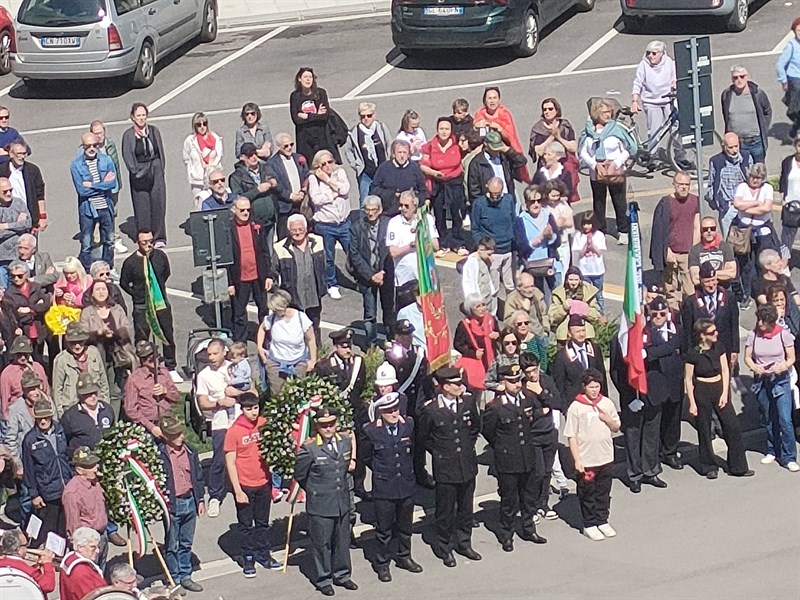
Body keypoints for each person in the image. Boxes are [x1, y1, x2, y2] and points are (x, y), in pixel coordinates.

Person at [418, 367, 482, 568]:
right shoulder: (431, 409)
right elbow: (424, 438)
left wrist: (465, 447)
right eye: (455, 384)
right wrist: (440, 452)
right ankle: (444, 546)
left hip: (466, 463)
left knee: (465, 508)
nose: (460, 387)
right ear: (445, 387)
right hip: (445, 467)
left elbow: (475, 428)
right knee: (445, 511)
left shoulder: (468, 402)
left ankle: (464, 543)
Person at [293, 407, 359, 596]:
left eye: (331, 424)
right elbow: (301, 475)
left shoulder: (345, 442)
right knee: (322, 544)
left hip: (342, 502)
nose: (329, 428)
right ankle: (324, 579)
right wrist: (315, 491)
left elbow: (346, 468)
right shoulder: (310, 448)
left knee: (342, 540)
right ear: (318, 427)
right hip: (321, 504)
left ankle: (343, 575)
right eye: (324, 425)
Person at [482, 364, 547, 552]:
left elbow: (535, 416)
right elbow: (489, 432)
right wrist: (503, 447)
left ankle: (528, 529)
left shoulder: (528, 398)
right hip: (508, 460)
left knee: (529, 497)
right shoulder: (495, 407)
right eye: (512, 381)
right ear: (503, 382)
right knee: (509, 500)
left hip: (527, 456)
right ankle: (507, 534)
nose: (517, 384)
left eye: (518, 380)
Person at [360, 393, 423, 582]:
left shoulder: (407, 425)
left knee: (405, 526)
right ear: (380, 412)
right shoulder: (371, 431)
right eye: (388, 411)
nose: (394, 413)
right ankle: (383, 563)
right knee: (384, 530)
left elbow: (412, 452)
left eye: (395, 409)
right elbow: (365, 456)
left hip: (405, 484)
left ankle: (404, 557)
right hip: (384, 487)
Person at [685, 319, 754, 479]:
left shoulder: (719, 347)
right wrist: (692, 402)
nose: (716, 334)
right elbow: (688, 379)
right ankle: (709, 466)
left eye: (716, 331)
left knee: (733, 427)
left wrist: (725, 394)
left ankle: (738, 466)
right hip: (702, 391)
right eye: (711, 332)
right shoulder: (693, 353)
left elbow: (725, 370)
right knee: (704, 429)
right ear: (702, 336)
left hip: (719, 389)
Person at [225, 392, 281, 577]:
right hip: (245, 484)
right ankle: (248, 557)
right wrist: (238, 490)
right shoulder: (234, 431)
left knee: (263, 523)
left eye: (256, 408)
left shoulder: (264, 424)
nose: (253, 412)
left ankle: (264, 554)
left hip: (263, 482)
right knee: (246, 525)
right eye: (249, 409)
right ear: (242, 410)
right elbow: (230, 463)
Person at [564, 369, 621, 541]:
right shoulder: (576, 407)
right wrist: (577, 460)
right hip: (587, 459)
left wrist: (608, 420)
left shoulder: (607, 403)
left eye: (597, 386)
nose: (595, 390)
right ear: (584, 387)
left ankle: (602, 520)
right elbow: (571, 435)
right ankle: (589, 523)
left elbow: (616, 427)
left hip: (605, 456)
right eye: (591, 387)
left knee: (603, 491)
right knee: (587, 493)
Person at [119, 229, 180, 379]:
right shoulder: (131, 262)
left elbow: (166, 273)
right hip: (142, 305)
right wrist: (137, 294)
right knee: (142, 338)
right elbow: (124, 283)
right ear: (137, 243)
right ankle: (143, 366)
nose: (148, 245)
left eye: (151, 241)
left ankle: (170, 366)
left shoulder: (160, 257)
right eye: (144, 242)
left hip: (160, 302)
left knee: (167, 334)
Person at [314, 328, 368, 498]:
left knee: (358, 450)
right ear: (335, 346)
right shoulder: (324, 366)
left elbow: (360, 387)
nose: (348, 350)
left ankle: (359, 485)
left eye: (349, 346)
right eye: (343, 346)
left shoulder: (358, 362)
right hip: (335, 417)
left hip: (355, 413)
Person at [744, 304, 798, 471]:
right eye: (758, 319)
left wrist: (783, 366)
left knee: (785, 419)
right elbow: (747, 357)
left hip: (780, 379)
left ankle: (789, 456)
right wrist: (754, 366)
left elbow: (791, 358)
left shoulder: (783, 334)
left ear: (771, 322)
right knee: (768, 417)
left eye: (763, 321)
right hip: (762, 380)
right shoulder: (753, 335)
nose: (760, 323)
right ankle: (772, 449)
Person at [384, 319, 435, 488]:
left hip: (418, 405)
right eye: (404, 335)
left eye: (410, 334)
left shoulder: (419, 352)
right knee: (403, 442)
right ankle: (405, 474)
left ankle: (420, 472)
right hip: (402, 405)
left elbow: (425, 378)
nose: (408, 338)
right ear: (397, 336)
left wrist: (431, 397)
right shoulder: (392, 355)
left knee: (420, 441)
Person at [196, 339, 243, 518]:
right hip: (220, 420)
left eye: (215, 353)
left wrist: (237, 394)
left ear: (225, 352)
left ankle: (243, 487)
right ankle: (215, 496)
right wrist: (219, 402)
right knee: (219, 459)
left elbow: (252, 391)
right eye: (209, 354)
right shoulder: (204, 375)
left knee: (245, 454)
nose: (211, 357)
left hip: (239, 417)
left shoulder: (236, 368)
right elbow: (203, 402)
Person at [158, 415, 205, 593]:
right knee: (172, 544)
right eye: (175, 435)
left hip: (190, 501)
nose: (181, 437)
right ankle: (173, 578)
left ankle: (185, 575)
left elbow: (198, 477)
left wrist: (200, 500)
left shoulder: (191, 451)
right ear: (167, 437)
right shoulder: (161, 455)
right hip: (173, 504)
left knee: (186, 542)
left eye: (180, 433)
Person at [579, 98, 634, 245]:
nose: (608, 115)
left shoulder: (617, 129)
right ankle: (600, 230)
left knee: (619, 201)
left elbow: (627, 150)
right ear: (596, 113)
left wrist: (615, 164)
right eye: (604, 112)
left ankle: (623, 231)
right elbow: (584, 152)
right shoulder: (589, 131)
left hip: (614, 171)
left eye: (609, 112)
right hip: (596, 172)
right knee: (599, 202)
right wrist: (594, 164)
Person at [630, 40, 690, 169]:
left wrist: (675, 84)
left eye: (654, 53)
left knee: (676, 129)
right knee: (655, 130)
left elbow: (676, 77)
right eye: (648, 53)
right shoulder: (644, 65)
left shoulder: (670, 64)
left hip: (669, 100)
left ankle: (680, 156)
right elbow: (638, 83)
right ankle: (651, 156)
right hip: (652, 102)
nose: (651, 56)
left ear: (662, 54)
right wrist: (635, 100)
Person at [79, 279, 136, 415]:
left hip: (117, 356)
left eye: (103, 289)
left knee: (116, 390)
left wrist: (114, 332)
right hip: (97, 356)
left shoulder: (117, 309)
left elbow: (128, 329)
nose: (101, 292)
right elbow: (82, 335)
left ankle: (114, 420)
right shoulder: (87, 312)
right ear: (92, 294)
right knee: (100, 389)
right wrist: (98, 333)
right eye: (97, 289)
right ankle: (102, 418)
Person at [642, 297, 685, 474]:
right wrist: (671, 347)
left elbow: (684, 350)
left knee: (673, 420)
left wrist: (668, 349)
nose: (658, 317)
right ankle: (655, 456)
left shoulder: (677, 329)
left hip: (674, 380)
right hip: (656, 383)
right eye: (655, 314)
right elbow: (649, 354)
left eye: (662, 313)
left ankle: (670, 451)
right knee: (654, 423)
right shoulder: (646, 332)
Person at [519, 352, 565, 514]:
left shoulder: (545, 381)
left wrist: (541, 392)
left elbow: (558, 402)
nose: (532, 375)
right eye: (528, 372)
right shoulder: (522, 387)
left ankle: (543, 503)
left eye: (534, 370)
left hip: (549, 431)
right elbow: (526, 413)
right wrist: (542, 410)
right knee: (537, 473)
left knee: (547, 471)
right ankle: (531, 505)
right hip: (533, 435)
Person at [21, 398, 71, 543]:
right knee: (49, 530)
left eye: (46, 417)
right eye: (39, 418)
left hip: (66, 488)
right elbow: (29, 470)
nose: (43, 421)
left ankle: (62, 557)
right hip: (48, 492)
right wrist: (34, 494)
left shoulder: (60, 430)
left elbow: (67, 457)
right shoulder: (30, 440)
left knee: (64, 528)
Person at [650, 171, 701, 309]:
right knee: (670, 289)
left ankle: (688, 315)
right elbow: (659, 231)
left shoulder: (695, 201)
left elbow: (697, 226)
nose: (684, 187)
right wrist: (666, 251)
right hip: (671, 252)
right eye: (680, 184)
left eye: (687, 185)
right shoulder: (665, 203)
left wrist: (694, 250)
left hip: (688, 253)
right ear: (674, 185)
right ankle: (673, 315)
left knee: (689, 289)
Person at [348, 195, 395, 346]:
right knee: (370, 313)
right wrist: (371, 275)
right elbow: (354, 255)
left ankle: (391, 340)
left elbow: (390, 251)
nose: (370, 213)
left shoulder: (389, 225)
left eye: (373, 210)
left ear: (380, 210)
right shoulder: (356, 227)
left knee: (389, 310)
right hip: (367, 276)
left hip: (386, 274)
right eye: (367, 210)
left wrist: (382, 272)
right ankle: (371, 345)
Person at [227, 197, 276, 342]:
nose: (246, 213)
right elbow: (227, 259)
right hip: (239, 278)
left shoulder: (257, 225)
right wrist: (229, 283)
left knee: (264, 310)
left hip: (258, 276)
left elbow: (265, 252)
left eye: (248, 210)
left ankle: (267, 340)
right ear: (234, 210)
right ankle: (240, 344)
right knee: (239, 313)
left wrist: (268, 275)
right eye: (242, 210)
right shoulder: (229, 228)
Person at [122, 102, 168, 247]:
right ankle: (145, 235)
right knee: (142, 205)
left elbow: (160, 152)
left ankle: (159, 236)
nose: (141, 118)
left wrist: (160, 169)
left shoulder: (154, 131)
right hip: (139, 171)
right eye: (138, 116)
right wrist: (136, 172)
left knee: (158, 203)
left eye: (143, 115)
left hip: (155, 169)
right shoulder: (128, 135)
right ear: (133, 117)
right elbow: (127, 155)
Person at [420, 117, 468, 255]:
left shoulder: (457, 144)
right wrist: (434, 173)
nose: (444, 132)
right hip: (438, 184)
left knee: (456, 214)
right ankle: (442, 244)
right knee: (439, 214)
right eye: (441, 128)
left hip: (455, 183)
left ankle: (458, 243)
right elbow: (423, 166)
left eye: (447, 129)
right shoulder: (429, 146)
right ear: (437, 129)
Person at [256, 289, 317, 397]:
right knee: (277, 395)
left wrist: (312, 360)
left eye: (276, 309)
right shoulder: (272, 317)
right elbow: (262, 329)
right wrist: (260, 348)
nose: (273, 312)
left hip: (298, 362)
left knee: (299, 395)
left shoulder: (301, 318)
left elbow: (311, 340)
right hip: (276, 362)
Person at [70, 131, 117, 270]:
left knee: (109, 239)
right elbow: (82, 191)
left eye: (94, 145)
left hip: (105, 205)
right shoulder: (76, 165)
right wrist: (103, 184)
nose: (91, 148)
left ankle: (108, 267)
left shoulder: (106, 160)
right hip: (88, 208)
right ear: (82, 147)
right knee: (86, 242)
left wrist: (92, 184)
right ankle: (86, 269)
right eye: (88, 146)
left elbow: (112, 184)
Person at [274, 214, 327, 336]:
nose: (298, 233)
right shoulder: (280, 247)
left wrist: (324, 284)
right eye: (294, 230)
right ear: (288, 231)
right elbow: (273, 273)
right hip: (293, 297)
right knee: (294, 328)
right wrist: (280, 293)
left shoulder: (317, 241)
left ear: (306, 229)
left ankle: (315, 351)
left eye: (300, 229)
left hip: (314, 294)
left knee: (314, 325)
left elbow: (324, 265)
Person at [732, 162, 776, 309]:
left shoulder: (768, 188)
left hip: (762, 232)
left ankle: (764, 293)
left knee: (762, 264)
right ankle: (746, 294)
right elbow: (737, 204)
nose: (755, 180)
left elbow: (766, 208)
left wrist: (747, 206)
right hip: (743, 232)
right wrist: (756, 203)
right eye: (753, 177)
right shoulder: (742, 187)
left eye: (758, 178)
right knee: (745, 265)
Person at [309, 149, 351, 299]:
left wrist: (328, 181)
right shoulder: (314, 179)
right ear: (318, 166)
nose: (328, 166)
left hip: (344, 222)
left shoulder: (340, 173)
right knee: (328, 256)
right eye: (323, 164)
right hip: (326, 225)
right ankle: (331, 283)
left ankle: (361, 279)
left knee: (353, 252)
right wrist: (334, 192)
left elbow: (345, 189)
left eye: (330, 162)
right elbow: (316, 199)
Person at [682, 263, 741, 371]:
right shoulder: (690, 302)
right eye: (707, 281)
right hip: (702, 351)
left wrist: (735, 349)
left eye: (713, 280)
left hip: (724, 347)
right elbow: (688, 332)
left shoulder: (729, 297)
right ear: (700, 281)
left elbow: (734, 325)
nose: (711, 284)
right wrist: (688, 354)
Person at [61, 447, 109, 565]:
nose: (95, 469)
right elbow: (73, 525)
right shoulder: (73, 492)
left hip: (102, 535)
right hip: (88, 543)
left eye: (95, 464)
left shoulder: (95, 482)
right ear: (79, 470)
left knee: (101, 571)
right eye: (90, 466)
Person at [124, 340, 180, 440]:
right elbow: (131, 410)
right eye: (149, 359)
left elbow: (176, 397)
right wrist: (151, 427)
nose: (154, 360)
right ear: (142, 360)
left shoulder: (164, 372)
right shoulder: (134, 379)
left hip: (167, 421)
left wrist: (165, 391)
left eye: (156, 357)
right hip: (147, 427)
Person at [471, 177, 516, 296]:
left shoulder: (509, 200)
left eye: (498, 194)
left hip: (508, 250)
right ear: (487, 187)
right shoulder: (479, 204)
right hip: (492, 252)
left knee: (510, 285)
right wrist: (483, 249)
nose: (495, 197)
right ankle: (493, 312)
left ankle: (510, 311)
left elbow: (513, 221)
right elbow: (475, 229)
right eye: (492, 194)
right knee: (493, 288)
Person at [551, 315, 608, 409]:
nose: (581, 334)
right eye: (578, 332)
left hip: (595, 402)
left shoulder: (594, 349)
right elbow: (559, 385)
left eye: (583, 331)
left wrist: (605, 400)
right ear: (569, 333)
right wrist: (564, 408)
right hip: (574, 404)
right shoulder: (562, 356)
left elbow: (602, 377)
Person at [52, 323, 109, 416]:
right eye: (73, 343)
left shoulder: (94, 353)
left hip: (95, 404)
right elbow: (57, 390)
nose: (77, 346)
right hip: (73, 408)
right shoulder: (61, 360)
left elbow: (104, 382)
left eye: (80, 342)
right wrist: (61, 415)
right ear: (67, 342)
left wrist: (106, 405)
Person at [474, 86, 528, 182]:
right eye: (489, 98)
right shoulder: (480, 113)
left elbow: (511, 137)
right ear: (485, 100)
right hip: (484, 151)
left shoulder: (504, 114)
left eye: (495, 98)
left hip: (501, 152)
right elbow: (473, 136)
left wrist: (500, 129)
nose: (492, 101)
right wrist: (476, 126)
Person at [386, 189, 439, 287]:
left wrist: (422, 239)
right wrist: (411, 246)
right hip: (404, 279)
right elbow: (393, 252)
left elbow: (436, 246)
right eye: (401, 205)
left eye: (406, 206)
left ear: (415, 206)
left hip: (425, 277)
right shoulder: (394, 222)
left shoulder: (426, 219)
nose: (402, 208)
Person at [229, 142, 281, 243]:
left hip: (270, 219)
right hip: (252, 220)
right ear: (243, 157)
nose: (254, 158)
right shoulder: (236, 176)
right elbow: (239, 198)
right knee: (257, 250)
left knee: (269, 251)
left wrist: (273, 183)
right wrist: (257, 190)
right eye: (250, 155)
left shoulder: (266, 168)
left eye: (255, 154)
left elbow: (279, 184)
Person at [89, 119, 128, 255]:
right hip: (97, 188)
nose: (99, 136)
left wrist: (117, 182)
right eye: (96, 133)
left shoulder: (110, 144)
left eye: (101, 132)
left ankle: (113, 239)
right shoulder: (89, 148)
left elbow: (115, 165)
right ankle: (98, 241)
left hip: (112, 186)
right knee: (96, 214)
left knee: (113, 213)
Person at [514, 185, 559, 298]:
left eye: (539, 200)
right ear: (526, 203)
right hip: (532, 265)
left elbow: (557, 242)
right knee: (538, 298)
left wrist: (551, 236)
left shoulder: (548, 216)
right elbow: (521, 248)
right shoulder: (520, 220)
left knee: (557, 295)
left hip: (550, 263)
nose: (536, 204)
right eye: (532, 201)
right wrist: (540, 238)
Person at [5, 370, 55, 468]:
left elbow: (56, 428)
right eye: (32, 389)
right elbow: (10, 440)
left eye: (37, 387)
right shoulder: (15, 409)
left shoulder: (48, 402)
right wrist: (18, 465)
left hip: (49, 458)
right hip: (28, 460)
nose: (36, 392)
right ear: (24, 390)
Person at [721, 65, 772, 164]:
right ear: (732, 79)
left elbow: (767, 111)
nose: (739, 80)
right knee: (740, 172)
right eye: (735, 77)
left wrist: (763, 128)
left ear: (747, 77)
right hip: (737, 144)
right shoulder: (727, 95)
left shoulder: (758, 94)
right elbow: (726, 115)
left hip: (756, 141)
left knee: (758, 171)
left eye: (742, 76)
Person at [706, 133, 753, 238]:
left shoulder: (746, 157)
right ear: (724, 146)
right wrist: (718, 203)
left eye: (736, 146)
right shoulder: (716, 161)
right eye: (730, 147)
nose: (734, 150)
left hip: (744, 205)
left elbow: (753, 181)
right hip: (727, 207)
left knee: (746, 240)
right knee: (728, 240)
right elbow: (711, 184)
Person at [290, 67, 340, 164]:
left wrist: (306, 116)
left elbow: (324, 116)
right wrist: (316, 115)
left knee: (325, 163)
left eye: (310, 77)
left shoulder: (320, 93)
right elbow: (296, 119)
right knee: (308, 168)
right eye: (305, 77)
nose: (308, 79)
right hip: (304, 139)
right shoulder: (295, 96)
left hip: (322, 137)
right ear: (299, 79)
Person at [345, 102, 392, 204]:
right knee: (364, 201)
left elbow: (389, 143)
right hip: (365, 172)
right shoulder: (354, 132)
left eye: (369, 116)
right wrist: (355, 165)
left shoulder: (381, 128)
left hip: (382, 170)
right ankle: (364, 220)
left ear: (374, 115)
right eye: (362, 116)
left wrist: (389, 160)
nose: (366, 119)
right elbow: (348, 150)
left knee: (385, 200)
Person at [2, 261, 49, 360]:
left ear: (26, 275)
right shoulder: (9, 293)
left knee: (39, 359)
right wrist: (36, 308)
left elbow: (45, 304)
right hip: (24, 332)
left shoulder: (35, 287)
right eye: (13, 276)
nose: (16, 279)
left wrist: (29, 309)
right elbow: (15, 315)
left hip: (38, 329)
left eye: (19, 276)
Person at [453, 294, 500, 394]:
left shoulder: (491, 320)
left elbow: (501, 337)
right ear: (470, 309)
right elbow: (458, 344)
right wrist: (473, 353)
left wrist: (498, 336)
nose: (482, 309)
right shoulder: (465, 325)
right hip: (477, 365)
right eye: (478, 306)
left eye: (484, 305)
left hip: (492, 363)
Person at [60, 372, 115, 456]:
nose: (93, 396)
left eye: (94, 392)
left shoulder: (107, 409)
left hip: (106, 458)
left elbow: (113, 432)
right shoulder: (70, 416)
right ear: (81, 395)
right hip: (82, 462)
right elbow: (64, 441)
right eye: (88, 394)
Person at [268, 132, 310, 240]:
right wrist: (290, 196)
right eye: (285, 146)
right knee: (284, 237)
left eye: (291, 144)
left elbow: (307, 175)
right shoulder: (272, 163)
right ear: (279, 146)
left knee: (303, 232)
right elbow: (276, 185)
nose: (289, 148)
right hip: (285, 206)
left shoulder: (299, 158)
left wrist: (303, 191)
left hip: (301, 203)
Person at [467, 130, 527, 205]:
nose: (496, 151)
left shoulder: (505, 158)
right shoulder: (477, 163)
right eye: (493, 148)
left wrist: (508, 150)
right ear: (486, 144)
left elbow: (522, 161)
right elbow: (474, 191)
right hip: (489, 203)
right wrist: (483, 207)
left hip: (507, 199)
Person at [370, 140, 427, 216]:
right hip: (389, 212)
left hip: (410, 213)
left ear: (409, 154)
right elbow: (374, 189)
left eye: (405, 152)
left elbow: (423, 190)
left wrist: (416, 201)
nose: (402, 156)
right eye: (399, 152)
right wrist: (391, 194)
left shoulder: (415, 168)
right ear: (393, 154)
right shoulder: (384, 168)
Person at [0, 140, 46, 234]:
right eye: (19, 154)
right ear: (11, 154)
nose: (22, 157)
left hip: (29, 217)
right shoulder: (2, 170)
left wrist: (42, 217)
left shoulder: (33, 170)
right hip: (7, 217)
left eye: (24, 153)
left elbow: (40, 195)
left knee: (28, 246)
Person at [0, 335, 49, 421]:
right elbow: (5, 400)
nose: (23, 357)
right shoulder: (7, 373)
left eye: (25, 354)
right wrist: (7, 419)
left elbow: (46, 390)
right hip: (18, 415)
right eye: (19, 354)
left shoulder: (38, 367)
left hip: (39, 411)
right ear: (14, 354)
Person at [529, 97, 578, 181]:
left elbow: (573, 147)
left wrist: (559, 137)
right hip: (547, 167)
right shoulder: (538, 129)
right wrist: (551, 137)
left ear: (557, 110)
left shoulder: (565, 125)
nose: (547, 112)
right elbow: (539, 151)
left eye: (550, 109)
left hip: (565, 166)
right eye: (545, 110)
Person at [549, 267, 602, 343]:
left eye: (576, 280)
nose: (573, 283)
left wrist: (584, 310)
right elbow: (552, 317)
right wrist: (564, 308)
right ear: (566, 280)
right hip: (565, 335)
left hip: (584, 334)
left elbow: (596, 315)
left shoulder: (589, 292)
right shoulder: (559, 293)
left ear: (580, 280)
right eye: (571, 280)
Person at [183, 112, 223, 209]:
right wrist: (192, 172)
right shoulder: (190, 140)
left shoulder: (215, 138)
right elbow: (186, 158)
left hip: (213, 179)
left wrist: (211, 167)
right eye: (198, 124)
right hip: (198, 180)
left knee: (216, 203)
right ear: (194, 126)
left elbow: (219, 155)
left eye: (204, 124)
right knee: (199, 205)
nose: (202, 127)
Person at [0, 529, 56, 595]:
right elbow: (48, 586)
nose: (27, 549)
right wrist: (48, 563)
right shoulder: (26, 569)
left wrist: (36, 566)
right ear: (18, 550)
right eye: (25, 545)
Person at [571, 211, 606, 314]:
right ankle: (586, 312)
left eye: (589, 224)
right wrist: (587, 244)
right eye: (584, 224)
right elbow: (580, 253)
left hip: (598, 270)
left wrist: (593, 245)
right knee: (585, 293)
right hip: (584, 271)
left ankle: (600, 313)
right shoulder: (579, 236)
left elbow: (600, 252)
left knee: (598, 293)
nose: (586, 226)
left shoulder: (599, 235)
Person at [688, 216, 738, 287]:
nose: (709, 231)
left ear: (716, 230)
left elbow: (732, 273)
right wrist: (721, 274)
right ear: (701, 231)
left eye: (712, 228)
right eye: (705, 229)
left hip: (724, 289)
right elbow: (695, 279)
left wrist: (707, 275)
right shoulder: (695, 250)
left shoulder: (725, 247)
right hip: (703, 291)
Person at [58, 527, 105, 600]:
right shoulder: (82, 572)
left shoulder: (70, 559)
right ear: (80, 548)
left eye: (98, 547)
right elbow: (91, 597)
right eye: (93, 547)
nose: (97, 551)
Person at [0, 177, 30, 288]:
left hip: (19, 255)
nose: (9, 193)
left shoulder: (18, 203)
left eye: (10, 190)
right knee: (4, 291)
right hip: (3, 258)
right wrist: (18, 226)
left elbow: (28, 223)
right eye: (5, 191)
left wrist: (6, 225)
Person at [461, 237, 498, 316]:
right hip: (479, 302)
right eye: (489, 254)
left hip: (488, 298)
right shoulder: (471, 263)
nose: (491, 257)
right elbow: (469, 283)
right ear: (480, 249)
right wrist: (474, 301)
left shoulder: (484, 260)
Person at [777, 18, 800, 140]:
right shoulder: (791, 46)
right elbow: (780, 64)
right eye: (798, 30)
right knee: (796, 109)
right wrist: (784, 80)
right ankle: (795, 127)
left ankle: (795, 129)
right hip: (795, 80)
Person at [778, 135, 800, 249]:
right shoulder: (787, 162)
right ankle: (784, 263)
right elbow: (783, 181)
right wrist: (783, 200)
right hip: (790, 206)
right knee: (786, 240)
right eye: (799, 145)